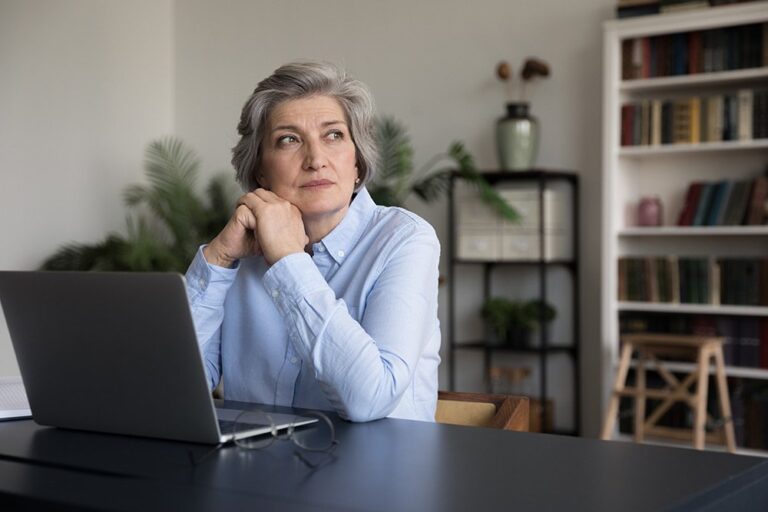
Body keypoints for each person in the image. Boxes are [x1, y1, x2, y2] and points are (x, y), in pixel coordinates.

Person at [185, 60, 441, 422]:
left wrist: (289, 262)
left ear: (357, 161)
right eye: (289, 140)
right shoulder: (240, 251)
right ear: (261, 170)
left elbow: (371, 398)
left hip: (378, 474)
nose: (316, 159)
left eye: (333, 135)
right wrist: (219, 257)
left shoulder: (405, 240)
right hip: (257, 473)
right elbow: (172, 387)